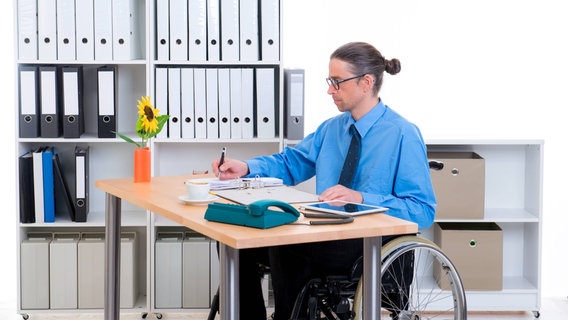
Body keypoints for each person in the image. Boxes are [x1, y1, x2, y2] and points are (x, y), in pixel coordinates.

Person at [211, 41, 436, 320]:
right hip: (325, 232)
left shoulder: (403, 134)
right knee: (235, 240)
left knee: (286, 246)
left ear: (366, 82)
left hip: (368, 244)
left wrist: (362, 198)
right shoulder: (332, 129)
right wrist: (246, 167)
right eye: (330, 81)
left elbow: (423, 210)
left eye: (337, 82)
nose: (329, 90)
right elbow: (291, 163)